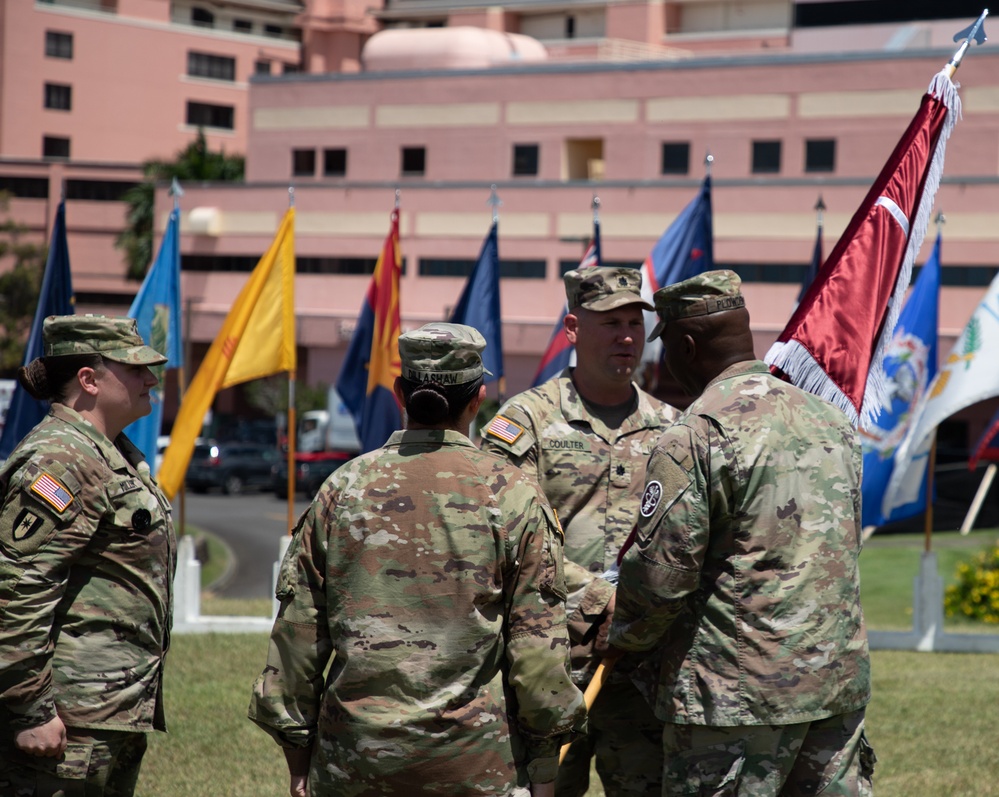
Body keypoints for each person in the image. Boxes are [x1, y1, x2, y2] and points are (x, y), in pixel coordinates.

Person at [249, 322, 586, 797]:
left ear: (399, 394)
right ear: (479, 398)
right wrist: (547, 769)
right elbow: (537, 656)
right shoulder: (513, 494)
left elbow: (298, 639)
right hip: (477, 767)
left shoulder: (341, 489)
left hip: (354, 763)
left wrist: (298, 761)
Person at [609, 270, 875, 796]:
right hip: (832, 687)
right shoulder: (831, 420)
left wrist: (620, 638)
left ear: (685, 345)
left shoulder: (696, 434)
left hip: (733, 704)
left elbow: (661, 579)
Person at [481, 267, 679, 797]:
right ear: (572, 328)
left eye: (635, 323)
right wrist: (596, 593)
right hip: (546, 662)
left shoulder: (672, 427)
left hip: (637, 668)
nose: (627, 337)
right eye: (610, 322)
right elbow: (506, 533)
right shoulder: (528, 420)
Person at [0, 314, 175, 796]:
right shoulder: (62, 459)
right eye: (135, 369)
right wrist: (31, 710)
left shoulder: (106, 451)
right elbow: (17, 590)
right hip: (65, 720)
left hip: (104, 713)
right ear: (89, 380)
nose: (151, 379)